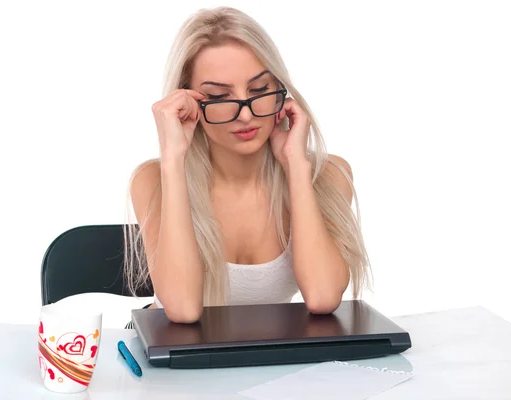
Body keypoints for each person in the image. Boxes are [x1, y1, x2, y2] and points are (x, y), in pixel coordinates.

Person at [123, 6, 371, 326]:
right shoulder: (153, 179)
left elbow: (323, 297)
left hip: (265, 357)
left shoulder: (330, 176)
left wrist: (295, 164)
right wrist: (172, 156)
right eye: (219, 95)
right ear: (187, 101)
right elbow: (183, 309)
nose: (245, 114)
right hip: (172, 357)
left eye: (259, 90)